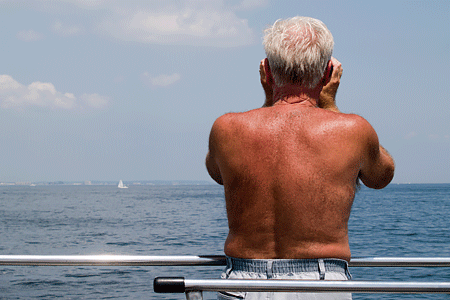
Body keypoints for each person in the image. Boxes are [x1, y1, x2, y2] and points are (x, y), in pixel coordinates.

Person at [206, 16, 395, 300]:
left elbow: (218, 173)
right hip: (320, 284)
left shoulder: (226, 129)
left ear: (267, 72)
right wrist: (330, 105)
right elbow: (382, 177)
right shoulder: (353, 129)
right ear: (328, 72)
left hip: (242, 283)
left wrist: (270, 100)